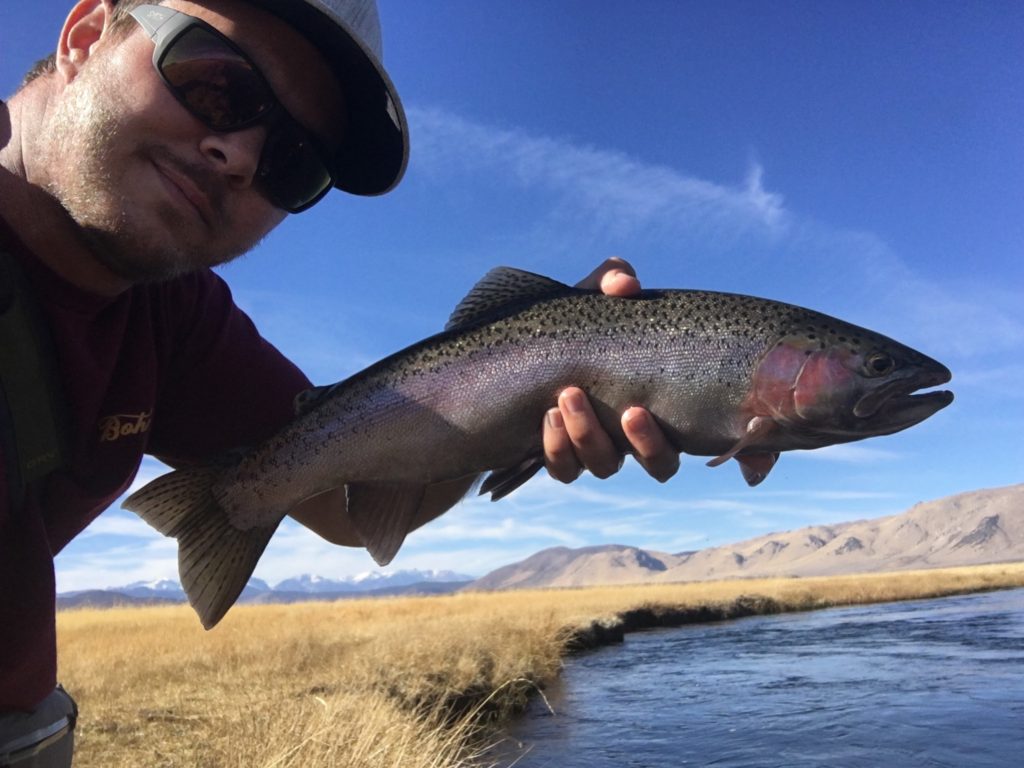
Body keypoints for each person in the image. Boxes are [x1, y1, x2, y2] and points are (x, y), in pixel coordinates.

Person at [0, 0, 680, 761]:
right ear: (85, 35)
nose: (241, 157)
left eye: (295, 162)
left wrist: (522, 384)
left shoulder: (174, 313)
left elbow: (346, 507)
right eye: (217, 85)